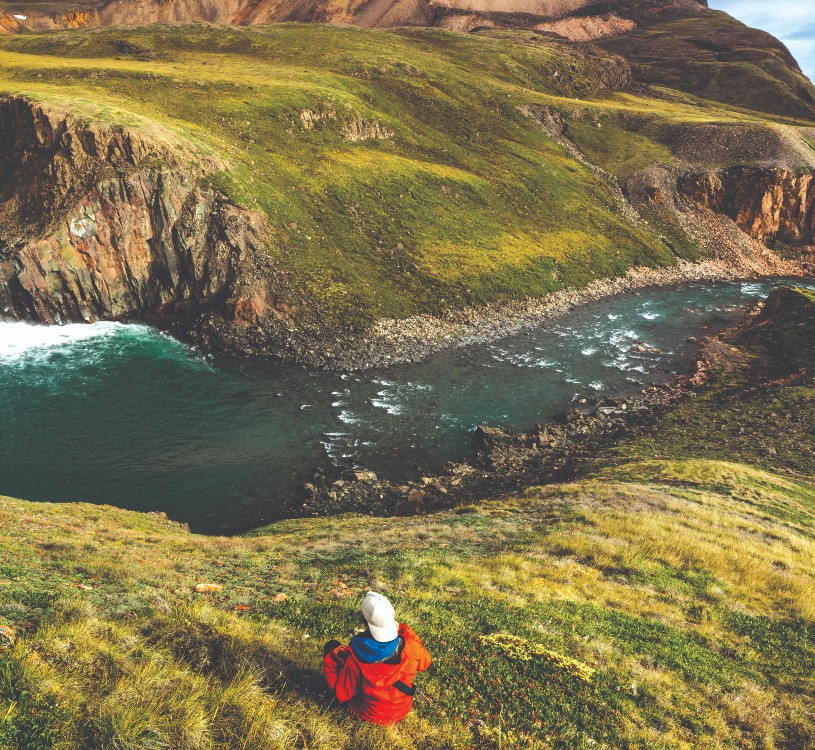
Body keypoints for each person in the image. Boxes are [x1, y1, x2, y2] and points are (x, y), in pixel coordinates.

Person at [323, 591, 432, 726]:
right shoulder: (410, 646)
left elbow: (342, 694)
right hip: (401, 711)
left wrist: (332, 659)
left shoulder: (356, 655)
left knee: (332, 646)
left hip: (367, 715)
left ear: (364, 620)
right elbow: (426, 662)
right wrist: (404, 629)